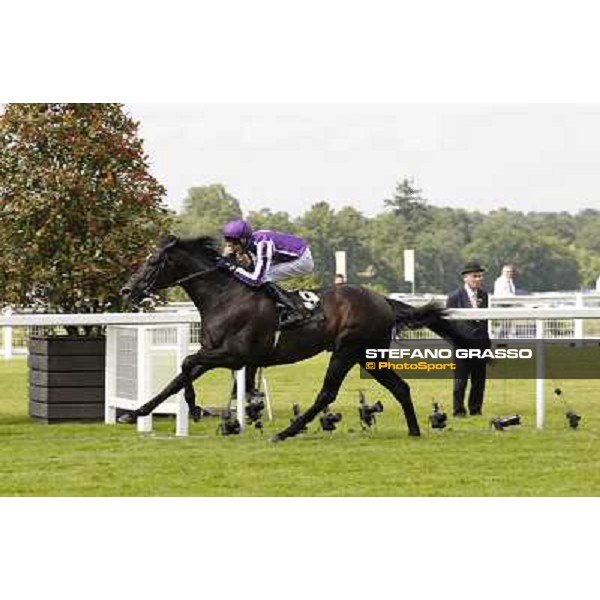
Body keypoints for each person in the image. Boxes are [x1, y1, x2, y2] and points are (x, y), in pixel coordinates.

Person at [217, 219, 314, 328]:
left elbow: (256, 280)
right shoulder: (251, 243)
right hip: (286, 256)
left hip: (302, 259)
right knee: (260, 276)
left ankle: (294, 311)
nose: (231, 248)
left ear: (243, 240)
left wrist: (232, 267)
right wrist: (240, 263)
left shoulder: (263, 245)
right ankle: (280, 304)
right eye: (228, 242)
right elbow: (254, 270)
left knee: (263, 278)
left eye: (233, 244)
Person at [446, 261, 491, 417]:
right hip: (462, 346)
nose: (478, 279)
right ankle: (458, 410)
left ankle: (476, 409)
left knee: (479, 382)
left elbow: (484, 321)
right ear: (466, 278)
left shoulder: (484, 296)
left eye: (480, 276)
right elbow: (448, 325)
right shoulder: (454, 297)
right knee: (460, 382)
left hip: (480, 345)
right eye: (475, 276)